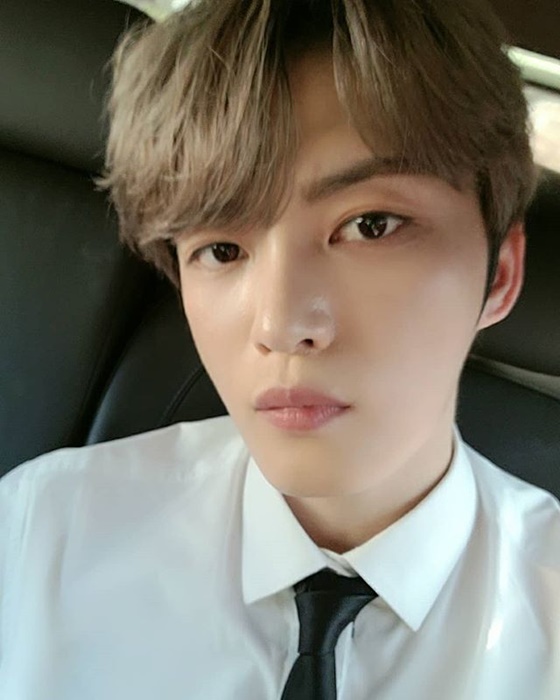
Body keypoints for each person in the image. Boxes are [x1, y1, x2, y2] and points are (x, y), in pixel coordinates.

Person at [1, 0, 559, 698]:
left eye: (371, 225)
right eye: (221, 249)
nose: (280, 322)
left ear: (498, 276)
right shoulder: (41, 535)